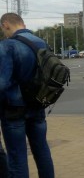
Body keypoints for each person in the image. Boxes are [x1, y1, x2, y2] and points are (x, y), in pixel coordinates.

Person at [0, 13, 55, 177]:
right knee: (42, 151)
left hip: (14, 110)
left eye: (3, 29)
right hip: (38, 106)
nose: (4, 33)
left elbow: (2, 83)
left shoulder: (7, 45)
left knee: (17, 159)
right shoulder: (42, 43)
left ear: (6, 24)